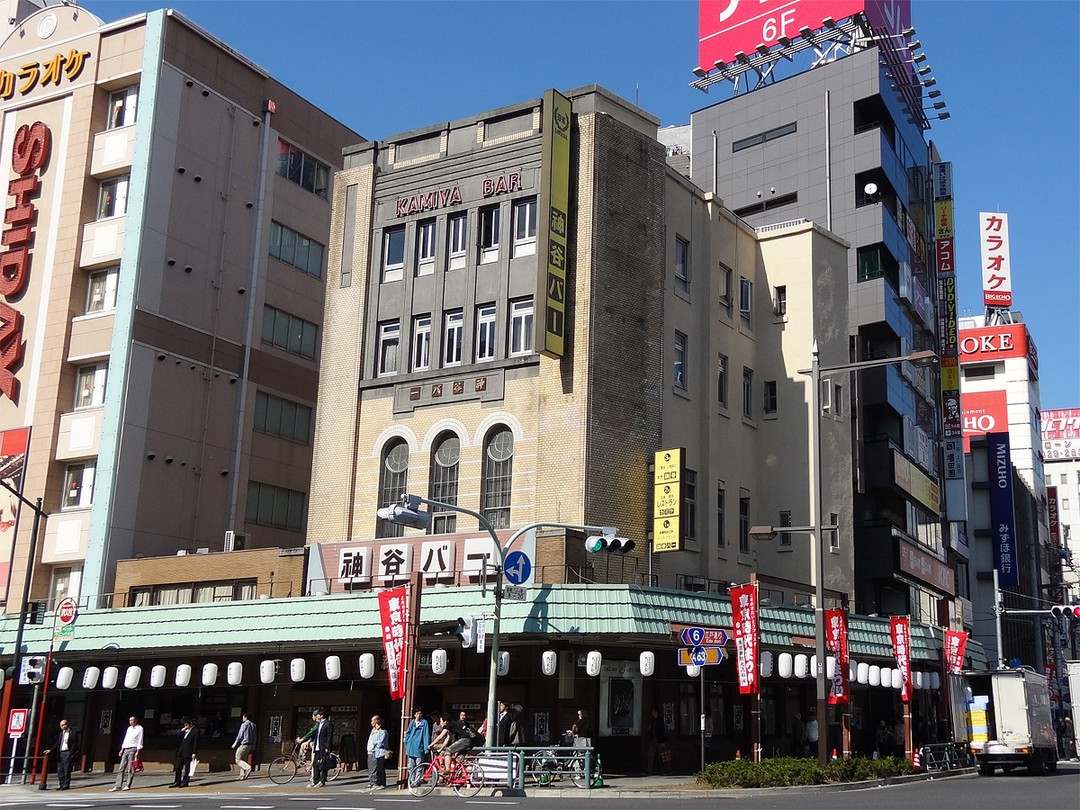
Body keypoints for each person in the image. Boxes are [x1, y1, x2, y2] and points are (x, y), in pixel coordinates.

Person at [42, 718, 81, 791]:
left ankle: (66, 785)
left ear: (67, 724)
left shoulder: (73, 732)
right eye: (61, 725)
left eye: (64, 724)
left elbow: (75, 743)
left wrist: (71, 752)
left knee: (67, 770)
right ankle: (61, 784)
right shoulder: (61, 733)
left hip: (67, 752)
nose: (63, 726)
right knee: (60, 770)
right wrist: (51, 750)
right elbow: (58, 743)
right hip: (60, 753)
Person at [109, 715, 143, 792]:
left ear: (136, 720)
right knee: (121, 768)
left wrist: (138, 751)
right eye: (130, 720)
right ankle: (118, 785)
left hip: (133, 748)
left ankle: (128, 785)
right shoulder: (129, 729)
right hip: (126, 748)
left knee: (130, 768)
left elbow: (140, 740)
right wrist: (122, 749)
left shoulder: (140, 728)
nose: (131, 722)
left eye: (132, 720)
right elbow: (126, 739)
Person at [170, 717, 199, 788]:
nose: (185, 726)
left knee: (187, 768)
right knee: (178, 766)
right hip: (181, 751)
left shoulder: (195, 730)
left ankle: (185, 782)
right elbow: (179, 738)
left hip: (189, 751)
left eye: (187, 725)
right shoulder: (185, 731)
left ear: (190, 724)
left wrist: (194, 752)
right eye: (184, 725)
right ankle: (177, 781)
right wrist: (182, 731)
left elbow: (196, 742)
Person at [365, 714, 390, 790]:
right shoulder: (373, 731)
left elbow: (379, 743)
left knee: (379, 768)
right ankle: (372, 782)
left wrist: (375, 742)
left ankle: (379, 783)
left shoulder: (382, 732)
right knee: (371, 768)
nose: (372, 722)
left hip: (378, 752)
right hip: (373, 751)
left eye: (373, 721)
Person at [404, 707, 430, 777]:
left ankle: (417, 781)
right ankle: (411, 781)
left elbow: (426, 735)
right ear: (415, 715)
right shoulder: (412, 722)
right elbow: (408, 733)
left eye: (420, 713)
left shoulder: (424, 723)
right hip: (411, 747)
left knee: (419, 766)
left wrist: (426, 748)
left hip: (419, 747)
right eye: (417, 713)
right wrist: (407, 742)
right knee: (410, 766)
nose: (419, 715)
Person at [310, 709, 333, 788]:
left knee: (323, 765)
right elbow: (316, 735)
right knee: (315, 764)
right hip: (317, 747)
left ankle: (322, 781)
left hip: (324, 747)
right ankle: (315, 780)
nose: (317, 716)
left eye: (318, 715)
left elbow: (329, 737)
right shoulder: (319, 724)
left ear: (322, 716)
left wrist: (328, 747)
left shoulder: (328, 724)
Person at [296, 711, 319, 785]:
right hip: (313, 741)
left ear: (316, 716)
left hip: (317, 744)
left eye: (313, 716)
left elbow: (312, 732)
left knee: (314, 759)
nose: (312, 718)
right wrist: (308, 741)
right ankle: (302, 760)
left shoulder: (318, 724)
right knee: (303, 745)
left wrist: (302, 739)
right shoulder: (317, 724)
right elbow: (313, 734)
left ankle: (313, 778)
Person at [644, 707, 670, 774]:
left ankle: (668, 769)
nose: (652, 712)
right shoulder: (654, 721)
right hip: (654, 740)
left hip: (659, 741)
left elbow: (662, 731)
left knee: (664, 755)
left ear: (656, 712)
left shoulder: (660, 721)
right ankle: (649, 770)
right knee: (650, 755)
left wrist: (663, 741)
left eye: (653, 711)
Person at [232, 712, 256, 780]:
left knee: (238, 759)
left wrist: (235, 743)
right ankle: (242, 775)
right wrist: (254, 745)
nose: (242, 718)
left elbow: (240, 735)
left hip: (244, 744)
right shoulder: (253, 725)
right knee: (243, 759)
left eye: (243, 717)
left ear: (245, 717)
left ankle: (248, 768)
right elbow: (255, 736)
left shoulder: (244, 725)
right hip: (250, 745)